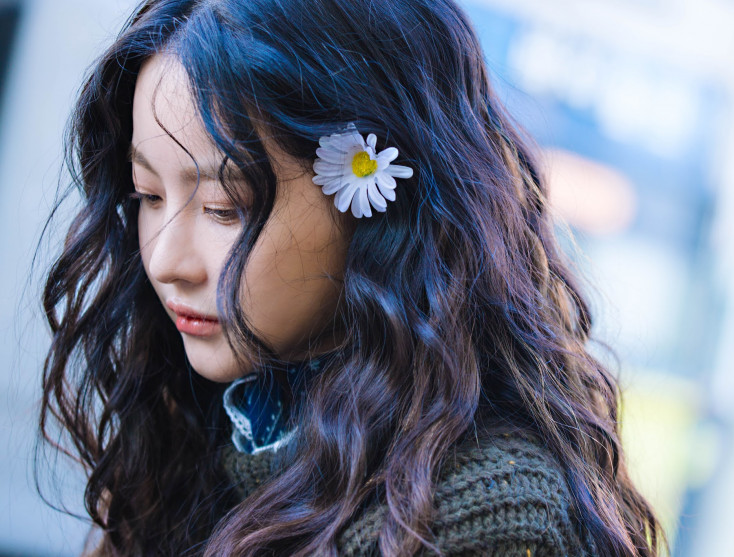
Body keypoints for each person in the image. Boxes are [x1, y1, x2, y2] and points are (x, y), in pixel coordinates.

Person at [37, 0, 665, 555]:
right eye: (147, 195)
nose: (168, 260)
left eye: (225, 209)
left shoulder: (479, 515)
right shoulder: (189, 430)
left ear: (372, 202)